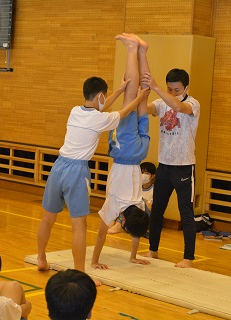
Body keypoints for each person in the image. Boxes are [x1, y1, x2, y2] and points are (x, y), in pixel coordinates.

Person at [36, 70, 150, 273]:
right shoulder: (101, 120)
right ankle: (80, 273)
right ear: (100, 96)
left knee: (48, 218)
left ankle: (41, 258)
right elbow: (123, 113)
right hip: (77, 171)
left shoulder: (75, 111)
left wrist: (118, 91)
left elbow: (101, 109)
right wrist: (139, 98)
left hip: (58, 166)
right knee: (79, 226)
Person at [91, 33, 151, 269]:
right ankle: (132, 49)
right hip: (125, 152)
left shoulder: (138, 206)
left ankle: (143, 52)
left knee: (143, 99)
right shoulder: (116, 206)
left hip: (140, 154)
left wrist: (133, 256)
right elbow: (100, 235)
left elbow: (137, 230)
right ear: (122, 219)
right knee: (132, 94)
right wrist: (94, 261)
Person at [141, 68, 200, 268]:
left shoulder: (192, 103)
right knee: (157, 209)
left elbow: (179, 107)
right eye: (170, 89)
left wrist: (156, 87)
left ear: (186, 88)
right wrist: (139, 94)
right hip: (165, 165)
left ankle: (188, 258)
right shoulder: (161, 103)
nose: (173, 93)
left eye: (176, 89)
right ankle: (153, 249)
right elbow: (146, 109)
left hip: (184, 166)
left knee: (186, 212)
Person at [107, 161, 156, 235]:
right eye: (141, 172)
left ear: (152, 176)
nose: (143, 175)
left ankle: (119, 224)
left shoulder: (155, 189)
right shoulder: (136, 187)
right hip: (134, 212)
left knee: (136, 199)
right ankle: (112, 221)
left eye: (146, 173)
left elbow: (151, 207)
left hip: (145, 216)